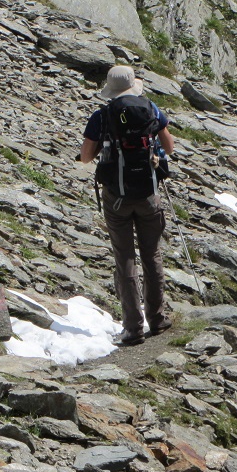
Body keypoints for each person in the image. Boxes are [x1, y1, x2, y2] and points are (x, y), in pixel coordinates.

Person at [79, 66, 175, 346]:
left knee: (125, 258)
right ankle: (157, 319)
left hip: (116, 197)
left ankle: (133, 327)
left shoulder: (102, 116)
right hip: (148, 194)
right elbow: (168, 148)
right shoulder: (152, 110)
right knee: (152, 255)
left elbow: (86, 157)